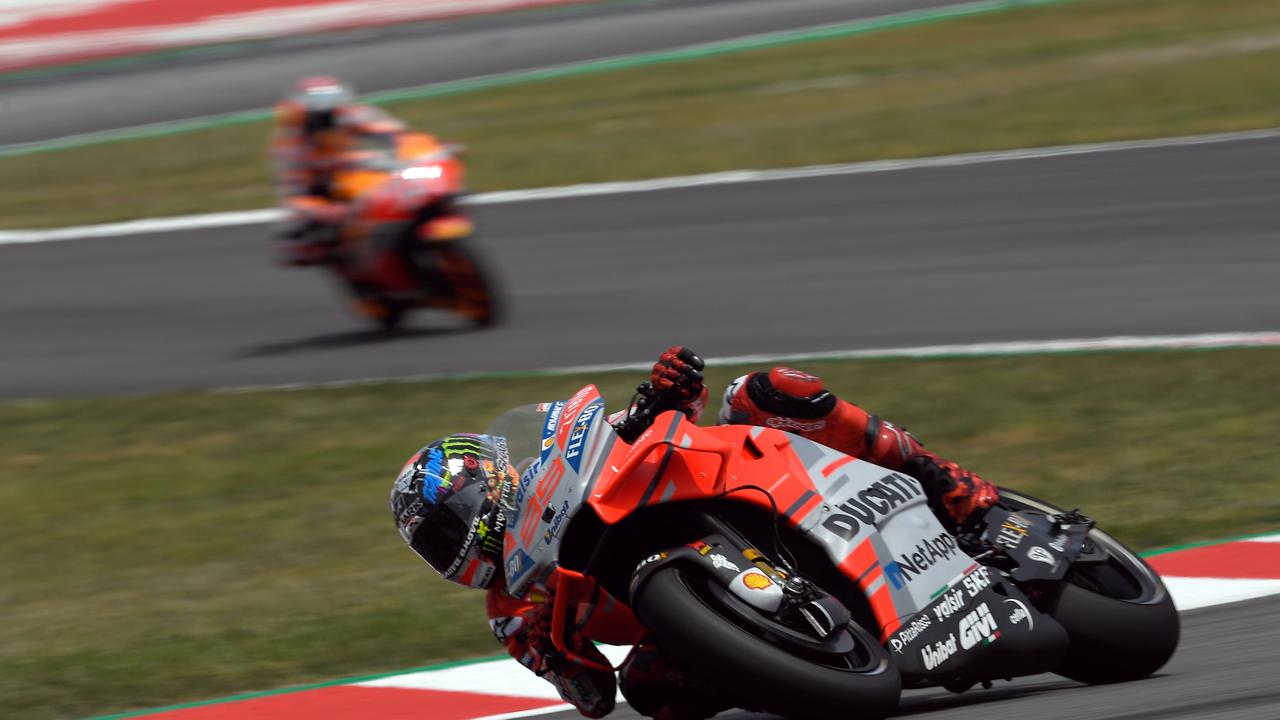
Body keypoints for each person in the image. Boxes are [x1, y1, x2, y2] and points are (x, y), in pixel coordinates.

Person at [389, 346, 997, 719]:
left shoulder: (552, 478)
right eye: (435, 545)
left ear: (489, 482)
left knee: (769, 391)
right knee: (652, 691)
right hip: (683, 612)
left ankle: (939, 477)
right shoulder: (512, 612)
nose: (453, 545)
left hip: (733, 483)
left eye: (449, 524)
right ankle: (793, 676)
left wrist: (667, 387)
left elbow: (647, 418)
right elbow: (594, 697)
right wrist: (558, 651)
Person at [269, 76, 408, 265]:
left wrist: (413, 152)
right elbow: (294, 191)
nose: (326, 119)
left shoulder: (352, 114)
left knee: (401, 176)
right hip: (319, 186)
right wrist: (328, 211)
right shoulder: (290, 141)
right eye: (318, 115)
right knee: (296, 230)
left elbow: (398, 134)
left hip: (352, 170)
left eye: (331, 111)